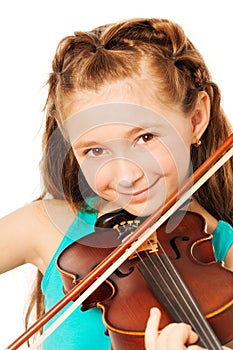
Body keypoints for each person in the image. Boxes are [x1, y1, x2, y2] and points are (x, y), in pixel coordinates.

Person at [0, 17, 233, 350]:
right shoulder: (42, 227)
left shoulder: (226, 258)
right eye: (95, 150)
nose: (126, 175)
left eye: (146, 137)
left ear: (196, 118)